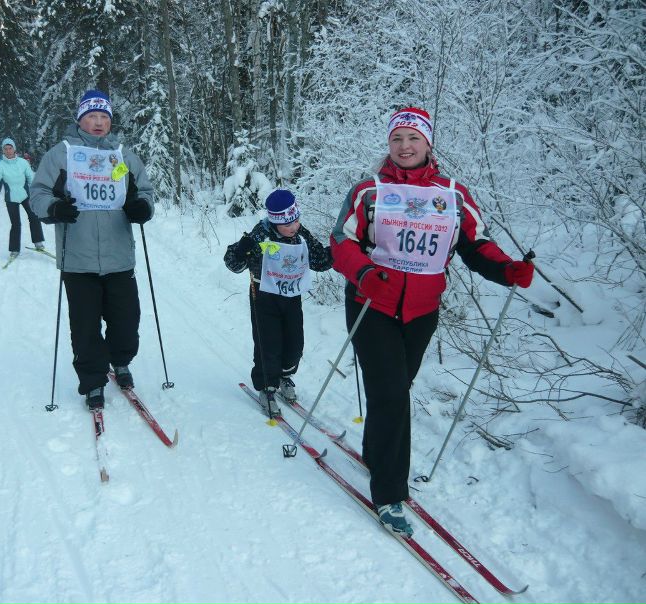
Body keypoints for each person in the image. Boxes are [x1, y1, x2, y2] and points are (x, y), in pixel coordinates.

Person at [330, 107, 535, 537]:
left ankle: (375, 449)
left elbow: (475, 244)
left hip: (422, 311)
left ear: (428, 143)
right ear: (389, 145)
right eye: (397, 139)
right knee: (390, 393)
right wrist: (365, 273)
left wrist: (507, 270)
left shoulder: (453, 195)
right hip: (372, 304)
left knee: (395, 389)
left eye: (413, 139)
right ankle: (389, 493)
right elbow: (341, 241)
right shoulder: (370, 191)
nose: (405, 147)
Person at [30, 89, 154, 410]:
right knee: (84, 326)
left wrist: (141, 207)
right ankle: (93, 380)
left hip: (119, 256)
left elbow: (144, 190)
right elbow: (38, 193)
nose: (98, 123)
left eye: (104, 117)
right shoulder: (62, 154)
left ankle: (121, 360)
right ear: (80, 119)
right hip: (77, 258)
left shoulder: (123, 156)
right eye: (92, 117)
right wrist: (55, 208)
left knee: (126, 321)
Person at [224, 190, 333, 417]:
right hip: (264, 297)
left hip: (292, 297)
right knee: (268, 344)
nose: (293, 227)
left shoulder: (301, 235)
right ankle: (267, 385)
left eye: (296, 221)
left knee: (295, 344)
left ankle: (285, 376)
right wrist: (241, 250)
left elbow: (320, 260)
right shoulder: (261, 235)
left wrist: (342, 252)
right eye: (287, 224)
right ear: (275, 222)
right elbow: (233, 263)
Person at [0, 137, 44, 259]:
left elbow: (31, 177)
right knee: (15, 223)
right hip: (11, 197)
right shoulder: (0, 166)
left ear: (14, 149)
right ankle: (14, 249)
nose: (8, 151)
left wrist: (37, 189)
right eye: (6, 149)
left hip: (25, 195)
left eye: (10, 148)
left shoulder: (23, 162)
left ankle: (38, 242)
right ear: (3, 151)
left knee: (34, 217)